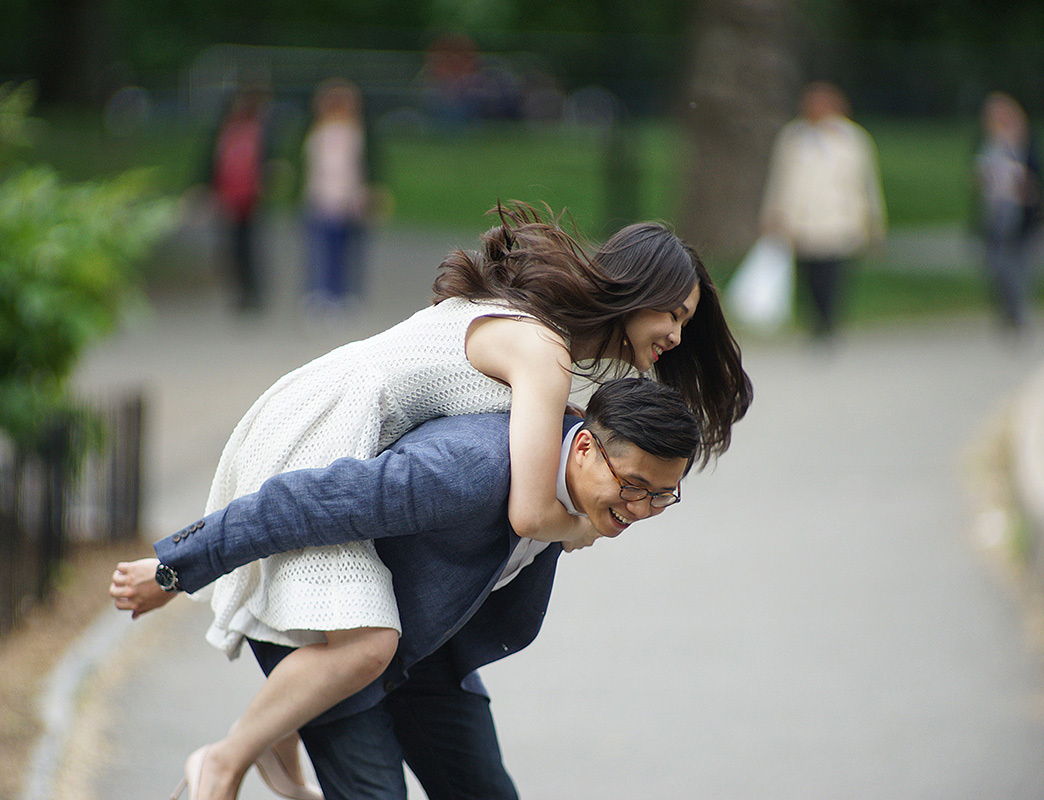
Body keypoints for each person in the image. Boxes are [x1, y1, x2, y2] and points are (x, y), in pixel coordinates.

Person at [117, 203, 751, 800]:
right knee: (367, 645)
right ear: (638, 291)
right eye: (674, 314)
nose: (675, 334)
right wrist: (173, 570)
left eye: (686, 324)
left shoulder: (550, 345)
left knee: (365, 646)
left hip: (350, 448)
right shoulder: (545, 354)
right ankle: (227, 757)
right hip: (320, 435)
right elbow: (529, 512)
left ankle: (276, 729)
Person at [111, 378, 701, 799]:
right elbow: (304, 501)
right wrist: (174, 569)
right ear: (581, 447)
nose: (640, 508)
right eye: (634, 486)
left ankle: (274, 732)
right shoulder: (467, 469)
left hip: (425, 651)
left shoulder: (577, 494)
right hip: (334, 635)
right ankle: (240, 750)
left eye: (661, 497)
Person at [760, 81, 887, 339]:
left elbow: (867, 183)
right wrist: (772, 214)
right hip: (803, 220)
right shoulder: (793, 138)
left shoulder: (853, 139)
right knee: (809, 274)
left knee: (833, 273)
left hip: (838, 220)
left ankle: (829, 320)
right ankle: (816, 318)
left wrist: (874, 222)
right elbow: (778, 179)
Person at [971, 92, 1044, 332]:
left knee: (1021, 268)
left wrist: (1031, 188)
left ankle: (1018, 314)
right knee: (997, 267)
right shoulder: (986, 144)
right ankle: (1007, 310)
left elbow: (1042, 178)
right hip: (995, 216)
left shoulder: (1029, 143)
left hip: (1024, 217)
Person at [300, 78, 379, 311]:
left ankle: (346, 295)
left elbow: (365, 168)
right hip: (320, 199)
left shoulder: (358, 133)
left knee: (348, 253)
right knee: (320, 252)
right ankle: (320, 294)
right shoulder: (316, 132)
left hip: (349, 202)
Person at [203, 80, 276, 313]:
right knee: (232, 247)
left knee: (250, 246)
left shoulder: (258, 129)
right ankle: (241, 291)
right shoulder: (226, 129)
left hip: (251, 197)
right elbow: (212, 162)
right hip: (229, 195)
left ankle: (253, 292)